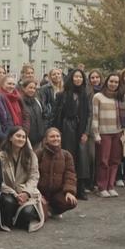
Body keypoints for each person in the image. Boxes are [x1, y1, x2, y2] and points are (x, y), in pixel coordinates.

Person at [91, 72, 125, 198]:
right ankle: (102, 187)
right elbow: (95, 117)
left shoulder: (121, 96)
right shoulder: (98, 97)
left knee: (115, 161)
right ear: (107, 82)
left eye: (116, 82)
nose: (113, 84)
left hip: (118, 132)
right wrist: (96, 134)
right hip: (104, 133)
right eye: (111, 81)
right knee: (103, 161)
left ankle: (111, 186)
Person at [0, 127, 45, 232]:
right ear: (10, 138)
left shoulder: (31, 155)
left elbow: (34, 176)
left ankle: (18, 219)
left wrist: (26, 193)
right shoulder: (1, 156)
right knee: (8, 202)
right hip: (7, 191)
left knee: (27, 212)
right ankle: (8, 220)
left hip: (25, 191)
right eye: (18, 136)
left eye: (23, 137)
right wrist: (14, 194)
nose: (21, 139)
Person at [53, 68, 91, 200]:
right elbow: (56, 114)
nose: (78, 79)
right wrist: (57, 131)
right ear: (71, 78)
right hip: (66, 129)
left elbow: (89, 115)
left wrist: (86, 132)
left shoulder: (85, 95)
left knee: (81, 160)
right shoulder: (62, 95)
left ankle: (80, 188)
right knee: (68, 158)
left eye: (80, 77)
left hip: (80, 128)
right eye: (76, 77)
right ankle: (68, 188)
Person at [36, 128, 78, 218]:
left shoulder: (66, 155)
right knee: (43, 216)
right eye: (52, 136)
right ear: (46, 139)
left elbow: (70, 174)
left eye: (57, 136)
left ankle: (53, 210)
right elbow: (33, 175)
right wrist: (37, 194)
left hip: (57, 193)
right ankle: (45, 209)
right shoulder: (39, 153)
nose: (55, 138)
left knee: (71, 202)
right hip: (40, 193)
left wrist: (69, 191)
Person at [20, 79, 46, 149]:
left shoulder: (37, 101)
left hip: (39, 138)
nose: (32, 90)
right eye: (30, 88)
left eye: (34, 88)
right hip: (27, 138)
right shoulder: (20, 101)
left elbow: (43, 116)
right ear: (24, 88)